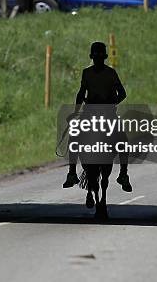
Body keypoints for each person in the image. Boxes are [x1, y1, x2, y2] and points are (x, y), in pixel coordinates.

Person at [63, 42, 132, 216]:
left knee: (122, 138)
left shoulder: (111, 73)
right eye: (96, 57)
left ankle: (123, 174)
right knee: (75, 134)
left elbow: (122, 93)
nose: (98, 59)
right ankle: (72, 172)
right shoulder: (86, 73)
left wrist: (112, 103)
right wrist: (76, 112)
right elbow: (81, 93)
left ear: (103, 57)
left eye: (100, 57)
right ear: (93, 57)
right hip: (90, 113)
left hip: (108, 113)